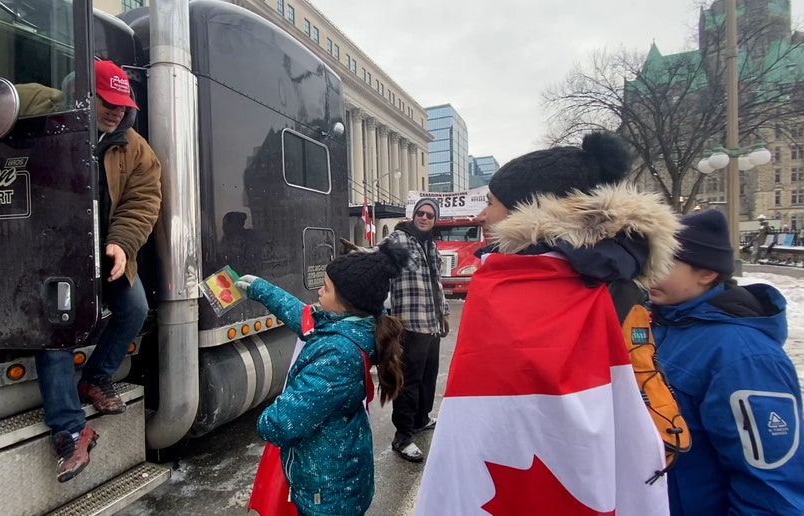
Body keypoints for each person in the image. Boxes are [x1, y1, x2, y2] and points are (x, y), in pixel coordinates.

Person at [415, 132, 678, 514]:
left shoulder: (505, 287)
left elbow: (480, 422)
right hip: (589, 476)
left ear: (525, 211)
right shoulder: (619, 282)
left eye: (491, 203)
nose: (483, 215)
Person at [35, 59, 162, 482]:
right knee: (54, 333)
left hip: (105, 252)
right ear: (82, 92)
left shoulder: (138, 149)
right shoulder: (44, 109)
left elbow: (143, 202)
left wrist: (121, 244)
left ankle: (96, 377)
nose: (114, 111)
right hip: (53, 252)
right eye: (106, 101)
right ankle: (71, 431)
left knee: (135, 308)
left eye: (121, 104)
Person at [234, 240, 408, 516]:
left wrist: (265, 417)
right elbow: (301, 315)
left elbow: (281, 423)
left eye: (325, 288)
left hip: (327, 493)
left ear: (347, 302)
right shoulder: (350, 325)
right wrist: (259, 289)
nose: (319, 291)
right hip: (340, 477)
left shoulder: (338, 354)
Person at [648, 209, 804, 515]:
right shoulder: (651, 325)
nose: (649, 273)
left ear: (706, 273)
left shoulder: (744, 355)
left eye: (664, 263)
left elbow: (772, 486)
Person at [382, 197, 449, 463]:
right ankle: (403, 437)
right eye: (420, 213)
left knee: (428, 377)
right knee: (408, 381)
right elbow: (375, 257)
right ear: (413, 215)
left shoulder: (430, 244)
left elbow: (437, 282)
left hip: (431, 324)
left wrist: (443, 313)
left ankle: (421, 419)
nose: (424, 218)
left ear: (434, 220)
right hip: (409, 323)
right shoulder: (399, 239)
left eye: (429, 215)